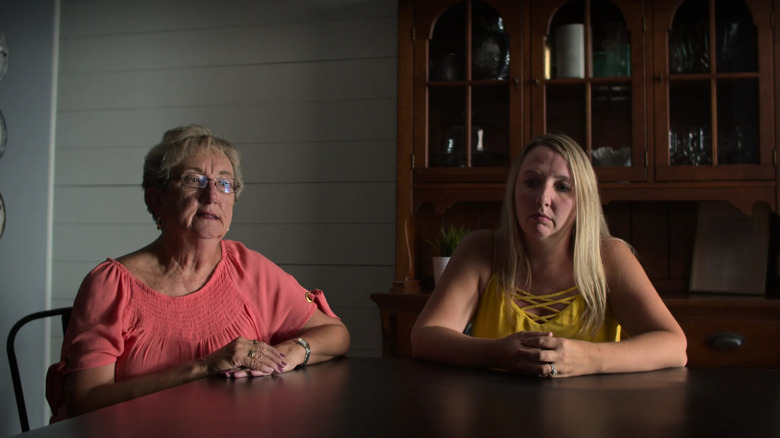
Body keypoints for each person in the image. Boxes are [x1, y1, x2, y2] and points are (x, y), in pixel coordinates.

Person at [46, 124, 350, 419]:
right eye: (194, 180)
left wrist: (293, 352)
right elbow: (84, 402)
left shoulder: (249, 268)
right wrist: (203, 367)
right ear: (157, 199)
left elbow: (336, 334)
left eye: (224, 183)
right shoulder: (111, 285)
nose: (212, 195)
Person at [411, 132, 687, 377]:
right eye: (531, 182)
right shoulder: (482, 250)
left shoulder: (609, 257)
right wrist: (498, 353)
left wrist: (586, 358)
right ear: (513, 191)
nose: (543, 198)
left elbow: (675, 346)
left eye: (563, 187)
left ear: (583, 202)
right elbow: (425, 337)